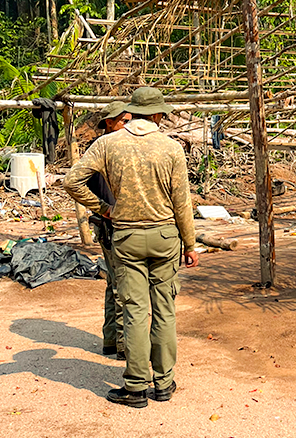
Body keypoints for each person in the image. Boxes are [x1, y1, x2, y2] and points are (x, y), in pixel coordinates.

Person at [64, 87, 199, 409]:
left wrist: (103, 208)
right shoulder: (170, 148)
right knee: (164, 310)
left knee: (136, 312)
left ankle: (136, 387)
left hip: (127, 237)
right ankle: (164, 383)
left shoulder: (107, 144)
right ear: (157, 115)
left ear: (131, 112)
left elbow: (72, 181)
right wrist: (190, 243)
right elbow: (182, 202)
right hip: (166, 236)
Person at [88, 101, 131, 361]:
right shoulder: (104, 150)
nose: (128, 125)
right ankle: (125, 346)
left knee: (113, 283)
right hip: (111, 225)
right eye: (124, 121)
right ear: (110, 122)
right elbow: (74, 182)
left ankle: (111, 340)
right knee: (123, 287)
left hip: (109, 223)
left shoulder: (108, 148)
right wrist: (103, 208)